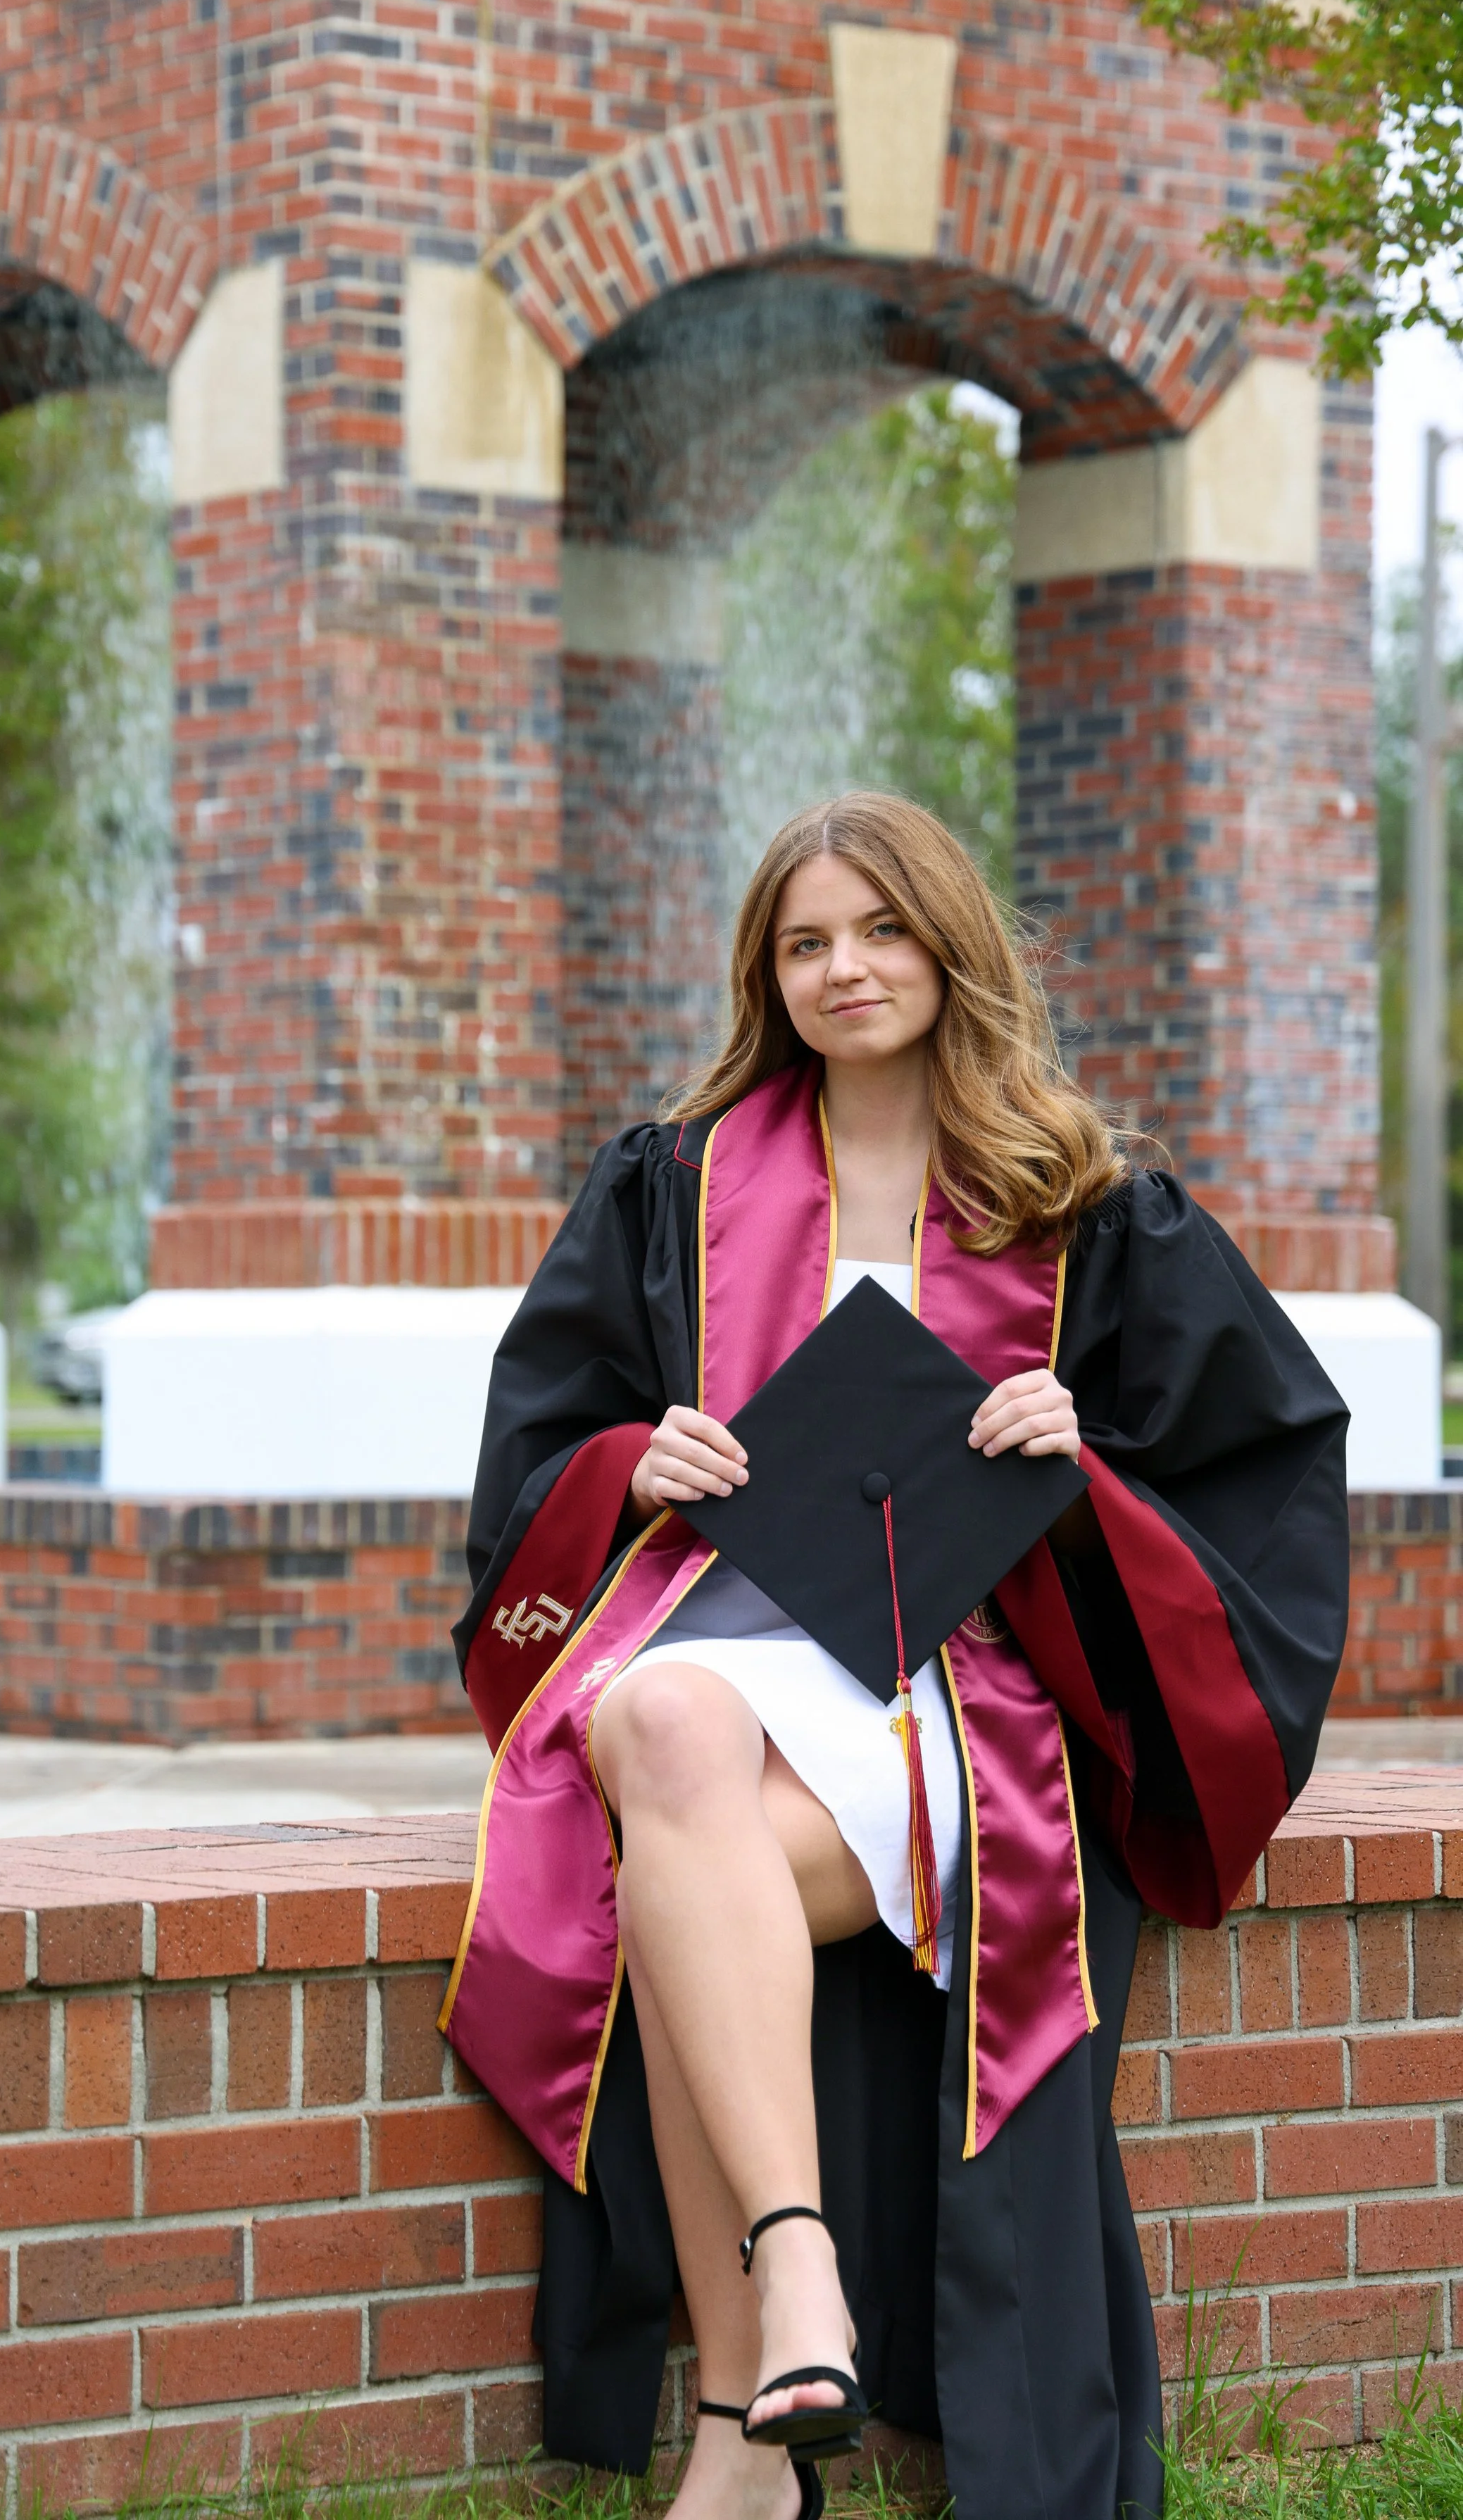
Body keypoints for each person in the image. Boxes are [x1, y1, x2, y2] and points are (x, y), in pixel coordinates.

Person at [438, 794, 1350, 2520]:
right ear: (764, 974)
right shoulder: (671, 1183)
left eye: (877, 931)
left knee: (658, 1852)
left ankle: (736, 2426)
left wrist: (1078, 1474)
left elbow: (1259, 1485)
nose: (842, 968)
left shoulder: (1086, 1206)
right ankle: (797, 2284)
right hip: (716, 1629)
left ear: (947, 945)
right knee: (659, 1711)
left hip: (963, 1680)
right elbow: (535, 1459)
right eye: (803, 943)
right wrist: (626, 1468)